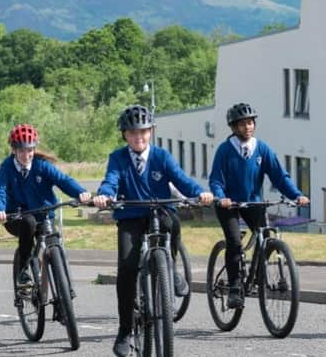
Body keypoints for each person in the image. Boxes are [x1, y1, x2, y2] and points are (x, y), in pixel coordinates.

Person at [92, 105, 213, 357]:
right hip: (130, 214)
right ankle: (125, 330)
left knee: (173, 224)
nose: (139, 137)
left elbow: (181, 179)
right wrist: (104, 195)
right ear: (124, 135)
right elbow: (110, 180)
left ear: (151, 132)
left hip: (159, 211)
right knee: (126, 267)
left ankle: (171, 268)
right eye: (133, 133)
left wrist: (199, 193)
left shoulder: (162, 156)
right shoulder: (118, 158)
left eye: (144, 132)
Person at [209, 102, 309, 309]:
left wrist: (297, 195)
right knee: (235, 242)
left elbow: (279, 177)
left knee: (266, 236)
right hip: (229, 205)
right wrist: (221, 197)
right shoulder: (225, 150)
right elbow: (216, 180)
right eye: (243, 124)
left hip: (253, 203)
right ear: (234, 128)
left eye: (251, 123)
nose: (248, 127)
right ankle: (235, 287)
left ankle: (258, 276)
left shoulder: (262, 149)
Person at [0, 124, 91, 286]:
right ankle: (23, 270)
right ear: (14, 150)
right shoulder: (7, 167)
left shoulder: (41, 165)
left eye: (29, 150)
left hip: (43, 214)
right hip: (16, 217)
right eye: (21, 150)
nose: (26, 155)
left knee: (52, 239)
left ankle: (63, 294)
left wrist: (80, 192)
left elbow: (63, 180)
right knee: (29, 222)